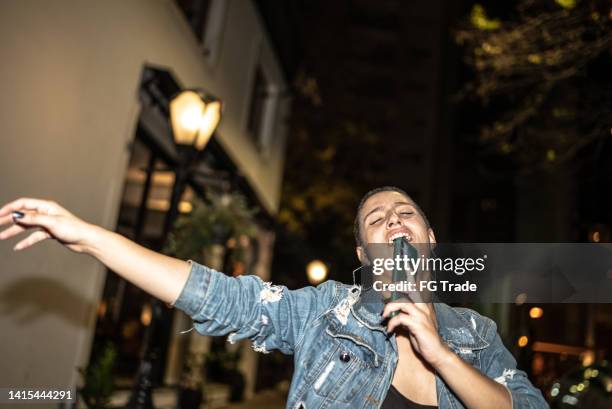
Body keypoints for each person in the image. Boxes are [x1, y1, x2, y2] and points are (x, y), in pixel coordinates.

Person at [0, 186, 549, 409]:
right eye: (376, 220)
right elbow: (219, 297)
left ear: (429, 241)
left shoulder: (475, 334)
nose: (394, 221)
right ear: (364, 258)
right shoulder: (327, 312)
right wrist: (95, 239)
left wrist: (442, 357)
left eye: (406, 213)